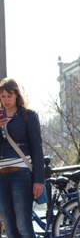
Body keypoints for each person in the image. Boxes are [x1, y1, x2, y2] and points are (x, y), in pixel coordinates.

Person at [0, 78, 44, 238]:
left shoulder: (28, 116)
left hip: (22, 174)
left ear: (17, 95)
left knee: (24, 226)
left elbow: (37, 148)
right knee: (9, 229)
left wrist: (39, 180)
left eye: (9, 96)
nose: (6, 100)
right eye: (2, 96)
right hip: (1, 176)